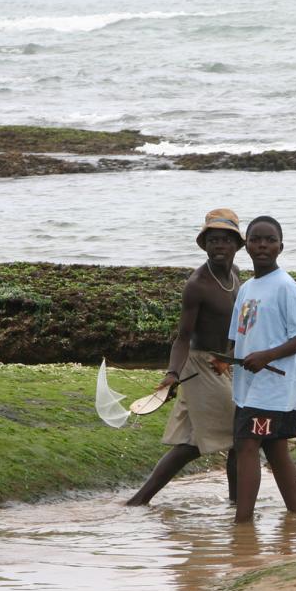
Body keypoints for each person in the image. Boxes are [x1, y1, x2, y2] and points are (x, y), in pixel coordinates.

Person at [126, 208, 244, 506]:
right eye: (213, 240)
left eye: (225, 240)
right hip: (201, 366)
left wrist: (233, 357)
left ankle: (139, 501)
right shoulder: (197, 285)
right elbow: (182, 337)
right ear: (204, 245)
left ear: (237, 244)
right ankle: (239, 508)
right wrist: (172, 374)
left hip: (224, 364)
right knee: (239, 435)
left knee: (191, 444)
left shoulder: (235, 274)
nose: (219, 245)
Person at [227, 215, 296, 524]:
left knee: (247, 444)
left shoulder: (285, 286)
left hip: (276, 383)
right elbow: (239, 336)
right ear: (246, 246)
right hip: (250, 383)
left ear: (281, 246)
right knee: (277, 451)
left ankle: (242, 524)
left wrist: (267, 356)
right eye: (256, 240)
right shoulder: (247, 288)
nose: (262, 245)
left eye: (270, 240)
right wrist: (226, 358)